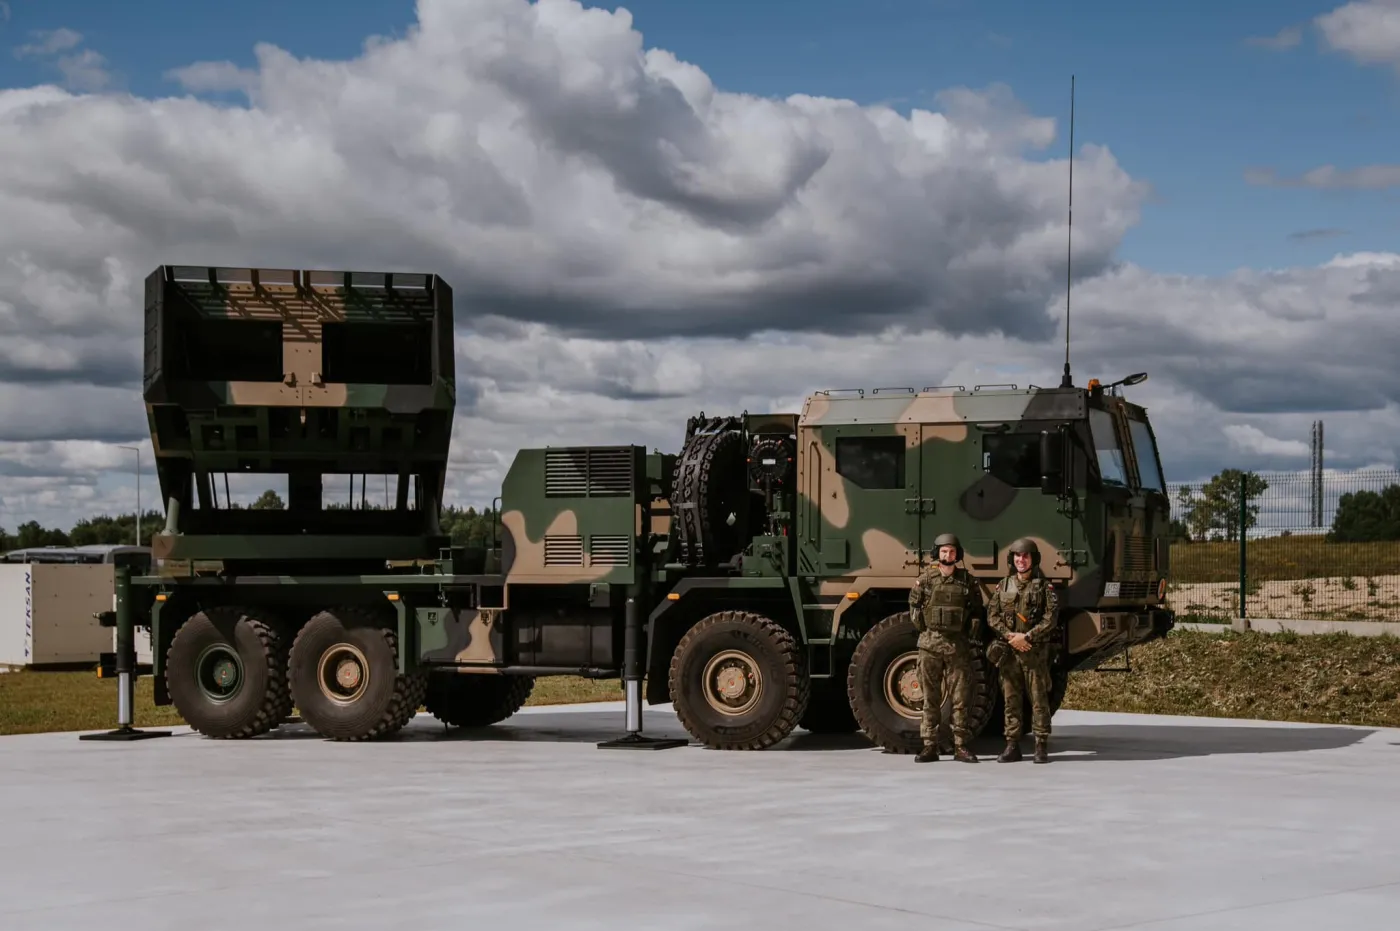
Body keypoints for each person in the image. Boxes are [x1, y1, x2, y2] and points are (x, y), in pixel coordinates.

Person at [907, 532, 981, 763]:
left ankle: (960, 744)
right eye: (944, 551)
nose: (948, 555)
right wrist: (927, 630)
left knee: (961, 697)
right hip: (930, 646)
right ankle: (930, 745)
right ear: (937, 554)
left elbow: (976, 611)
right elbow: (914, 608)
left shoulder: (967, 581)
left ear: (957, 554)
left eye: (952, 551)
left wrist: (968, 631)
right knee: (930, 697)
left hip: (957, 647)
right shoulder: (926, 580)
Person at [986, 537, 1060, 764]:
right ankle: (1012, 745)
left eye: (1025, 556)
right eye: (1017, 556)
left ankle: (1041, 745)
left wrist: (1027, 636)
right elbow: (992, 616)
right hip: (1010, 653)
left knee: (1039, 700)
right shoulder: (1003, 586)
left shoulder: (1044, 587)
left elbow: (1051, 618)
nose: (1021, 560)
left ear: (1033, 559)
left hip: (1034, 653)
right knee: (1011, 700)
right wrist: (1010, 637)